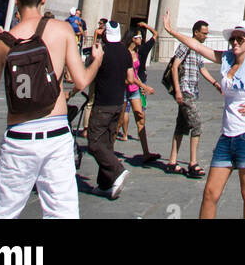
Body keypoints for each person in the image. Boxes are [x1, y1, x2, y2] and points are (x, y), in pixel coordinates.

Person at [0, 0, 104, 218]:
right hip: (56, 134)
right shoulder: (62, 30)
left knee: (1, 213)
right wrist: (97, 61)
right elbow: (81, 80)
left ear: (16, 0)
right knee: (63, 213)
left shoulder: (6, 41)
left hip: (20, 136)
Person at [162, 12, 245, 219]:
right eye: (233, 39)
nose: (235, 42)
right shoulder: (226, 59)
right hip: (226, 137)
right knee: (210, 193)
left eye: (240, 39)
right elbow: (197, 47)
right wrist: (171, 30)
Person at [163, 18, 220, 176]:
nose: (206, 36)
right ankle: (193, 163)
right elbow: (175, 67)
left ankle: (172, 162)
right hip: (185, 91)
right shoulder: (185, 45)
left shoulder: (198, 48)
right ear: (196, 32)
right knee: (197, 125)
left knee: (181, 126)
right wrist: (178, 91)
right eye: (204, 33)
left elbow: (202, 68)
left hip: (192, 91)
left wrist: (216, 83)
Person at [86, 20, 134, 198]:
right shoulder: (125, 52)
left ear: (105, 34)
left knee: (94, 143)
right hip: (118, 103)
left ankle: (117, 169)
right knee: (107, 143)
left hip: (103, 103)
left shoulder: (102, 51)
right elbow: (130, 78)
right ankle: (105, 184)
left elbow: (89, 73)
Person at [118, 26, 160, 163]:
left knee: (140, 117)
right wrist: (145, 86)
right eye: (139, 37)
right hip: (124, 88)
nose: (141, 39)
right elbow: (129, 75)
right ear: (132, 38)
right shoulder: (124, 53)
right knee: (118, 122)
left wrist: (141, 85)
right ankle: (109, 152)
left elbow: (136, 73)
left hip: (134, 89)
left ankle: (146, 152)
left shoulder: (137, 52)